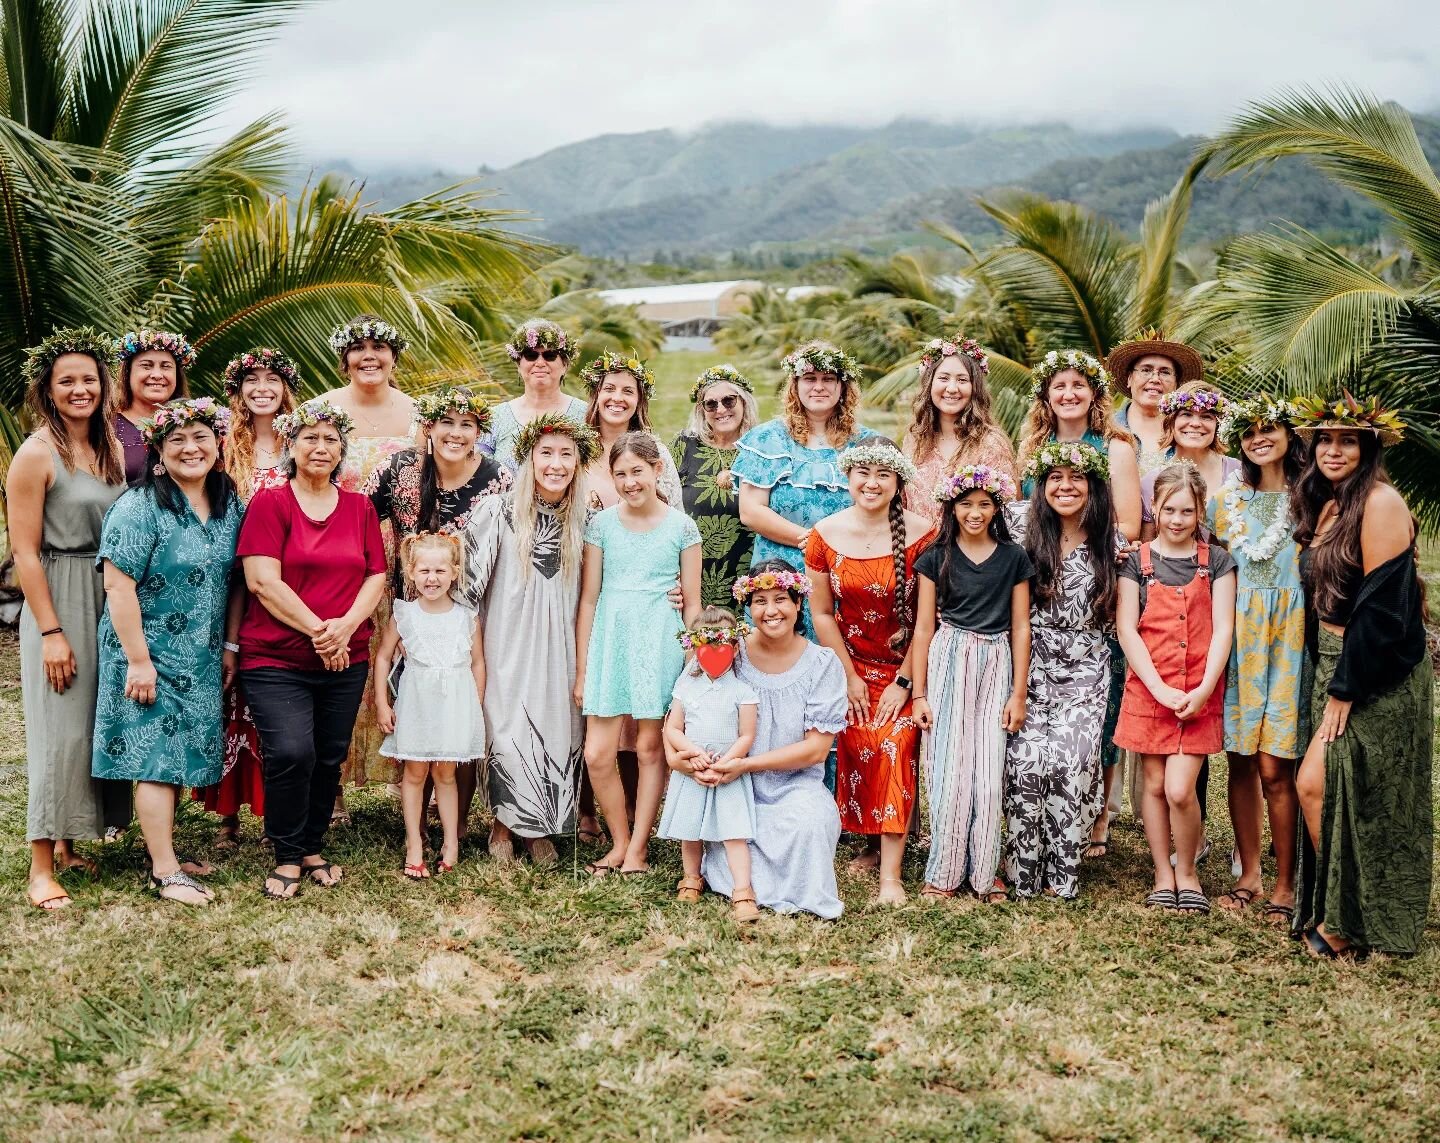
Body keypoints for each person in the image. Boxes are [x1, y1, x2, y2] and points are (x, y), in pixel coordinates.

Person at [1291, 395, 1431, 960]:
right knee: (1339, 793)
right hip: (1330, 660)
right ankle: (1342, 911)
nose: (1333, 449)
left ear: (1368, 448)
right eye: (1324, 440)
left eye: (1347, 440)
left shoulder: (1381, 503)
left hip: (1377, 670)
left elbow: (1380, 610)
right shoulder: (1328, 506)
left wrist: (1345, 689)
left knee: (1320, 784)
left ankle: (1349, 922)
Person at [91, 398, 244, 905]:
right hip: (146, 651)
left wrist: (228, 644)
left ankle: (167, 852)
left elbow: (237, 581)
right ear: (158, 452)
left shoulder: (228, 503)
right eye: (176, 440)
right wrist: (138, 660)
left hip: (199, 653)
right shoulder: (139, 506)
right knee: (156, 757)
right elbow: (118, 587)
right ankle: (165, 871)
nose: (190, 447)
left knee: (177, 755)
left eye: (200, 436)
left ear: (218, 444)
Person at [236, 398, 387, 900]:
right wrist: (322, 631)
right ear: (291, 446)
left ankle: (312, 845)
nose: (320, 447)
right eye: (310, 438)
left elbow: (376, 575)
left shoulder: (360, 506)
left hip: (347, 655)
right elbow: (261, 581)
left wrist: (345, 628)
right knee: (291, 751)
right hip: (276, 655)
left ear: (341, 449)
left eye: (330, 439)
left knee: (328, 755)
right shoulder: (271, 503)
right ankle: (285, 853)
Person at [9, 329, 127, 909]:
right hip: (58, 590)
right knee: (60, 725)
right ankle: (39, 866)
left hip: (107, 592)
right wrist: (51, 631)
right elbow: (25, 551)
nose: (80, 389)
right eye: (67, 381)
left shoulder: (108, 447)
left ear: (104, 385)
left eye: (89, 379)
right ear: (48, 391)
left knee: (93, 717)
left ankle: (70, 843)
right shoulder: (35, 453)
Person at [463, 415, 602, 866]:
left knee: (559, 728)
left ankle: (538, 828)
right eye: (546, 453)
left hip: (563, 639)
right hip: (508, 637)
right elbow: (468, 585)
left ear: (578, 462)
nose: (556, 464)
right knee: (507, 727)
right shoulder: (498, 511)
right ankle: (503, 826)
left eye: (566, 454)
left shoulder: (589, 518)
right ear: (528, 459)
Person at [1021, 350, 1143, 856]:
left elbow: (1132, 525)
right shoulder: (1034, 445)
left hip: (1094, 580)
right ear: (1046, 397)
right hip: (1040, 582)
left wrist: (1074, 546)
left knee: (1103, 703)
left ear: (1095, 393)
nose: (1068, 394)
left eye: (1078, 385)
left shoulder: (1116, 447)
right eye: (1058, 386)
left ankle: (1096, 813)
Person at [676, 561, 848, 918]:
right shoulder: (727, 652)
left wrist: (746, 764)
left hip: (794, 786)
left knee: (808, 825)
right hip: (732, 786)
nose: (771, 611)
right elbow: (683, 709)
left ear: (799, 603)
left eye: (781, 599)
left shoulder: (822, 664)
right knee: (734, 833)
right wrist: (681, 760)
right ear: (747, 607)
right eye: (759, 601)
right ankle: (733, 880)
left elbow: (816, 750)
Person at [805, 439, 934, 904]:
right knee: (857, 743)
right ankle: (871, 840)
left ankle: (891, 878)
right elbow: (821, 613)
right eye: (863, 472)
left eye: (883, 474)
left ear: (898, 481)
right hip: (850, 664)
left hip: (908, 665)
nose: (872, 483)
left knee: (893, 743)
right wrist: (847, 675)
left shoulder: (924, 536)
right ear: (848, 477)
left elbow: (929, 618)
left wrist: (906, 680)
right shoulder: (824, 534)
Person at [575, 433, 702, 875]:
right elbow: (589, 598)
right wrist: (582, 667)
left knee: (650, 747)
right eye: (621, 474)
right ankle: (619, 839)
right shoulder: (602, 525)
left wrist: (692, 664)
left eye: (638, 471)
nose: (630, 482)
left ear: (657, 470)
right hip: (611, 637)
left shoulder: (681, 528)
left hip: (660, 637)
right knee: (597, 752)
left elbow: (692, 604)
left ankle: (639, 849)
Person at [1114, 462, 1236, 916]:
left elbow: (1223, 629)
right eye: (1169, 510)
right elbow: (1128, 630)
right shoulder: (1136, 563)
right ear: (1155, 509)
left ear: (1200, 510)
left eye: (1187, 510)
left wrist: (1204, 690)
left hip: (1198, 690)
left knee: (1182, 788)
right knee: (1155, 782)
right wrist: (1159, 690)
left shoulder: (1217, 562)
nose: (1178, 519)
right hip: (1150, 689)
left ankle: (1187, 870)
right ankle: (1162, 874)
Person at [912, 465, 1032, 902]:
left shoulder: (1013, 557)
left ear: (997, 506)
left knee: (987, 771)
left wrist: (1018, 693)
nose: (975, 512)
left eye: (985, 504)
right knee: (948, 770)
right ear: (952, 507)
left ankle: (984, 871)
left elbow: (1021, 627)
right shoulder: (936, 558)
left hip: (996, 660)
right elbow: (923, 628)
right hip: (948, 658)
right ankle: (943, 871)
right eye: (966, 504)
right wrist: (920, 693)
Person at [1003, 442, 1118, 900]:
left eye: (1077, 478)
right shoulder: (1016, 526)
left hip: (1087, 663)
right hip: (1028, 659)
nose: (1065, 487)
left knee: (1071, 761)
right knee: (1024, 760)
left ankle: (1062, 873)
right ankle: (1022, 871)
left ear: (1093, 487)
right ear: (1041, 485)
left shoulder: (1114, 543)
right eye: (1055, 477)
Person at [196, 347, 301, 846]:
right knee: (229, 689)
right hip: (230, 578)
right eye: (252, 380)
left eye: (272, 380)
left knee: (276, 696)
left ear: (285, 388)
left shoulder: (301, 441)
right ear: (237, 390)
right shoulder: (222, 444)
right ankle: (227, 813)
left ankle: (273, 806)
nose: (263, 388)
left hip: (285, 579)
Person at [1211, 397, 1306, 924]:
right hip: (1239, 638)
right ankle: (1248, 873)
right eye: (1248, 432)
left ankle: (1287, 882)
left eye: (1269, 429)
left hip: (1290, 639)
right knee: (1242, 759)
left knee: (1277, 765)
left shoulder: (1313, 497)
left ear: (1290, 435)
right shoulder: (1225, 502)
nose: (1258, 438)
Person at [318, 315, 417, 809]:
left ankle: (407, 778)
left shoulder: (418, 414)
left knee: (400, 659)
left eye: (380, 347)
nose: (370, 356)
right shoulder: (322, 410)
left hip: (401, 556)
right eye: (358, 348)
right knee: (341, 659)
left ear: (395, 356)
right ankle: (330, 785)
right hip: (339, 551)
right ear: (345, 358)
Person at [735, 339, 876, 634]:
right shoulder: (767, 439)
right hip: (779, 576)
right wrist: (812, 542)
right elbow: (751, 511)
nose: (819, 387)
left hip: (845, 571)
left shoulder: (866, 443)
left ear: (843, 386)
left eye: (828, 379)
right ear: (795, 385)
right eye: (810, 378)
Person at [375, 533, 486, 881]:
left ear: (454, 572)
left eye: (440, 570)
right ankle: (414, 844)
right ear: (410, 572)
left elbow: (478, 663)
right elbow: (381, 658)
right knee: (415, 773)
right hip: (416, 704)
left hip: (455, 704)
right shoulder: (405, 614)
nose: (432, 578)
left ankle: (451, 842)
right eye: (423, 570)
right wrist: (382, 702)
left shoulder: (466, 617)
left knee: (446, 774)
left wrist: (475, 706)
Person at [658, 608, 760, 922]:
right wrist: (692, 754)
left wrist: (727, 763)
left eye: (722, 647)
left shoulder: (742, 691)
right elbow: (673, 728)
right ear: (695, 646)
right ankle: (691, 877)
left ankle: (742, 890)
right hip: (693, 771)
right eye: (707, 647)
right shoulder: (686, 687)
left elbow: (747, 735)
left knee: (734, 832)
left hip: (727, 772)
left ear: (735, 647)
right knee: (691, 829)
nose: (714, 654)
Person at [901, 334, 1018, 524]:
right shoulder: (914, 440)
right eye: (944, 378)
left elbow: (1007, 511)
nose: (952, 388)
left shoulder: (991, 444)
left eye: (962, 380)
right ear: (929, 384)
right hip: (918, 551)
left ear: (975, 388)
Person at [671, 364, 761, 607]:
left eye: (729, 401)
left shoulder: (761, 449)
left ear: (744, 402)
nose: (720, 410)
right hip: (691, 576)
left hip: (749, 575)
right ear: (702, 410)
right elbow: (661, 504)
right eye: (711, 404)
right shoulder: (685, 445)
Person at [577, 350, 681, 508]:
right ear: (596, 395)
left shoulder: (658, 453)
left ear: (639, 401)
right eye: (609, 389)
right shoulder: (574, 450)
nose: (617, 398)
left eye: (628, 391)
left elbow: (677, 516)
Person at [484, 319, 588, 472]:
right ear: (519, 365)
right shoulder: (495, 417)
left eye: (550, 355)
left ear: (565, 365)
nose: (540, 363)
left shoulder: (587, 414)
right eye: (531, 355)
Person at [1139, 381, 1239, 538]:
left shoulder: (1240, 472)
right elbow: (1146, 546)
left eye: (1206, 416)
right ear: (1171, 422)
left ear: (1218, 425)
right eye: (1186, 414)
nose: (1195, 424)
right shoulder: (1150, 482)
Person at [1107, 329, 1203, 476]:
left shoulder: (1192, 430)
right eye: (1146, 370)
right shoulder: (1104, 427)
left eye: (1165, 372)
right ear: (1129, 379)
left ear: (1177, 383)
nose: (1155, 379)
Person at [112, 329, 194, 486]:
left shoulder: (195, 423)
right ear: (128, 373)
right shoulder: (106, 427)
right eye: (146, 366)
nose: (157, 374)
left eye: (166, 366)